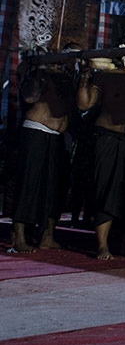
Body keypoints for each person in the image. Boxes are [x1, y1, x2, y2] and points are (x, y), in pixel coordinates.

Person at [77, 41, 125, 260]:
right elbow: (84, 105)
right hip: (106, 137)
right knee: (105, 188)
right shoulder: (106, 76)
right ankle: (102, 245)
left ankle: (124, 243)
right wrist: (85, 77)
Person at [11, 61, 76, 252]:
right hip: (36, 132)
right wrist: (40, 72)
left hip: (57, 137)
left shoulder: (69, 78)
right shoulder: (42, 75)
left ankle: (47, 236)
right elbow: (29, 98)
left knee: (54, 187)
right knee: (28, 184)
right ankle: (20, 237)